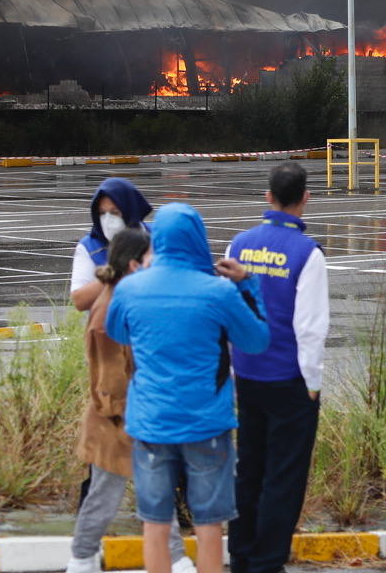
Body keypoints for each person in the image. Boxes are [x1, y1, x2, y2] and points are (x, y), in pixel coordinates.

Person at [105, 202, 270, 573]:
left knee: (155, 522)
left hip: (151, 421)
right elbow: (257, 340)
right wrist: (248, 284)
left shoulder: (131, 288)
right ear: (198, 237)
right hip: (206, 422)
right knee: (209, 524)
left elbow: (117, 331)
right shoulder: (218, 291)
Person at [219, 163, 329, 573]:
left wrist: (231, 369)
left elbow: (227, 312)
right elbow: (310, 329)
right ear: (305, 198)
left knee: (248, 469)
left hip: (246, 376)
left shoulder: (239, 244)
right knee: (284, 475)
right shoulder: (308, 253)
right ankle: (267, 561)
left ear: (268, 197)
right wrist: (312, 385)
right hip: (289, 380)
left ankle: (242, 556)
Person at [66, 228, 195, 573]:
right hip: (118, 421)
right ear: (135, 264)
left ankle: (174, 558)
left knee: (154, 492)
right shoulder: (110, 310)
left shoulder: (124, 298)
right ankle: (81, 558)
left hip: (133, 416)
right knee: (106, 496)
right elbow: (109, 379)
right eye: (151, 256)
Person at [71, 177, 152, 312]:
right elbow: (79, 301)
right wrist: (115, 273)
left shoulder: (156, 237)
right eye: (102, 213)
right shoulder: (90, 247)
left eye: (115, 213)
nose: (108, 220)